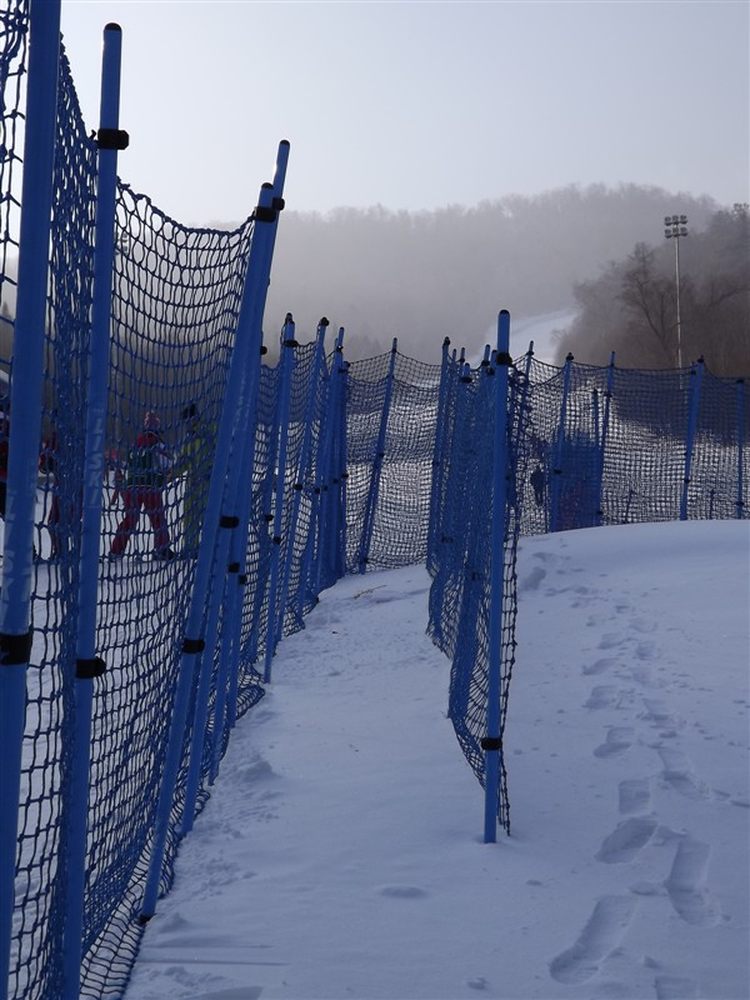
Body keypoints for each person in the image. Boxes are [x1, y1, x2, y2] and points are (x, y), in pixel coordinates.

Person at [109, 411, 175, 560]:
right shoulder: (157, 444)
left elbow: (127, 465)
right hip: (150, 487)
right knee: (158, 518)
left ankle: (116, 551)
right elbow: (167, 464)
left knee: (130, 519)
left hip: (132, 487)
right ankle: (162, 549)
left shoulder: (135, 445)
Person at [170, 403, 213, 556]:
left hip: (208, 483)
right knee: (190, 517)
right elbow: (184, 461)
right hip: (193, 483)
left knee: (208, 516)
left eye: (188, 420)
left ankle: (212, 547)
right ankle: (190, 548)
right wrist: (171, 474)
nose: (186, 424)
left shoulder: (209, 431)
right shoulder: (190, 438)